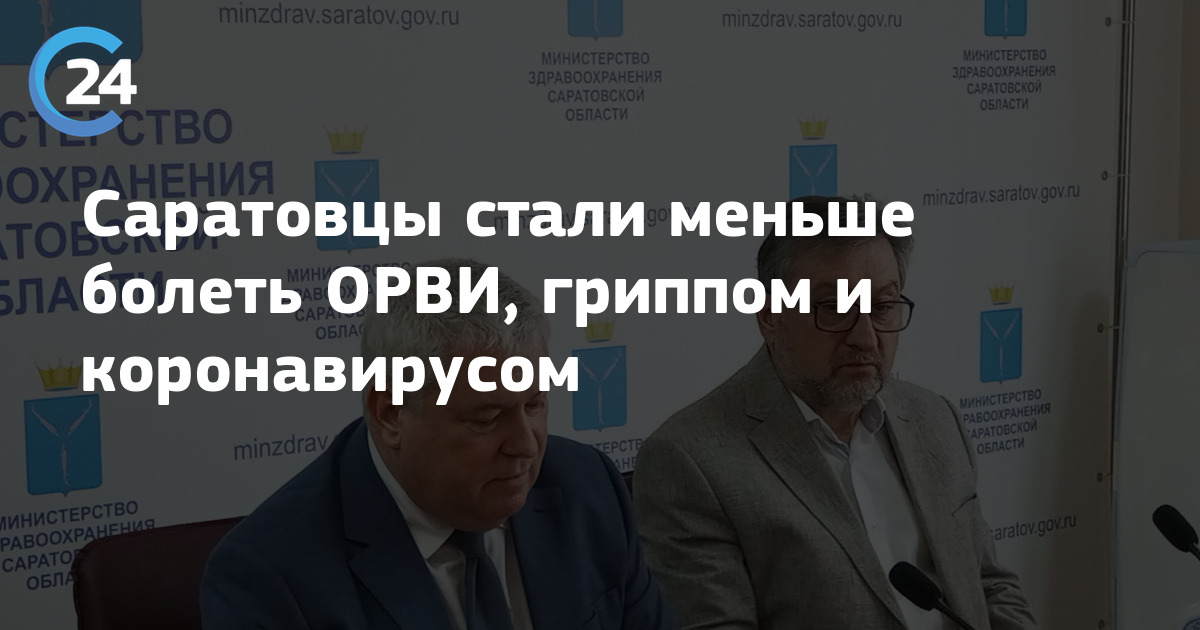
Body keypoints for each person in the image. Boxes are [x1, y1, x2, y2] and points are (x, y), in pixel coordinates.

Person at [201, 258, 678, 630]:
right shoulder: (272, 576)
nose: (525, 445)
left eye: (535, 404)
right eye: (486, 418)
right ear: (391, 413)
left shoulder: (588, 487)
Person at [632, 196, 1038, 629]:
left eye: (882, 307)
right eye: (835, 308)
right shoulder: (691, 460)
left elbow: (990, 586)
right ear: (769, 316)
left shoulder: (934, 418)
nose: (866, 337)